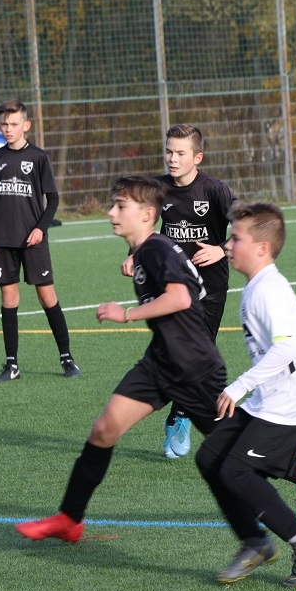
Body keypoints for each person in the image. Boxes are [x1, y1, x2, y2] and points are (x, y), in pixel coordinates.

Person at [15, 175, 227, 543]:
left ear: (147, 214)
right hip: (160, 361)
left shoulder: (157, 249)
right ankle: (70, 518)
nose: (111, 213)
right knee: (104, 429)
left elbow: (180, 298)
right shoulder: (146, 250)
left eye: (120, 206)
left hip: (193, 367)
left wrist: (125, 314)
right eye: (113, 205)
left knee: (236, 450)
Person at [196, 201, 296, 588]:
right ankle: (254, 542)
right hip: (269, 401)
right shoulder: (257, 285)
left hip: (294, 404)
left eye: (236, 238)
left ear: (262, 247)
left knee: (235, 470)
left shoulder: (268, 290)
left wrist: (238, 386)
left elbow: (286, 348)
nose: (228, 244)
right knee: (210, 457)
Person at [121, 124, 238, 459]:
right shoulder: (158, 188)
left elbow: (247, 223)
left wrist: (220, 249)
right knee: (176, 353)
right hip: (169, 287)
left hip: (209, 288)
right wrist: (133, 253)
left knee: (195, 356)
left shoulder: (215, 190)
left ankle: (180, 416)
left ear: (197, 157)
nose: (172, 158)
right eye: (169, 151)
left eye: (180, 153)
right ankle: (181, 413)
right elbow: (141, 224)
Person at [0, 99, 80, 381]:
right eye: (4, 124)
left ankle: (67, 358)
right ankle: (12, 365)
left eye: (14, 124)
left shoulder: (38, 157)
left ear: (26, 125)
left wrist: (40, 229)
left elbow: (53, 199)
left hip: (33, 241)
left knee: (47, 297)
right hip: (3, 241)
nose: (8, 128)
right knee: (8, 299)